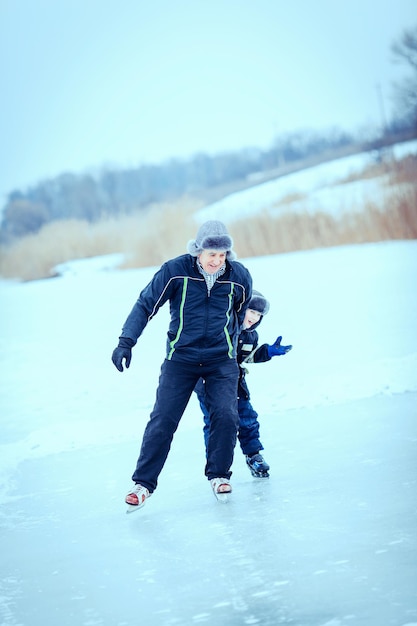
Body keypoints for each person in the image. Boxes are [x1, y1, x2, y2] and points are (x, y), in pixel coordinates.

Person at [111, 220, 252, 509]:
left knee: (226, 415)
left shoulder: (239, 276)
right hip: (181, 360)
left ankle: (219, 475)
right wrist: (126, 341)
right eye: (211, 254)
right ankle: (143, 484)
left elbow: (240, 314)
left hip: (220, 361)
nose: (217, 261)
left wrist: (235, 350)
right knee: (163, 420)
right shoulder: (175, 271)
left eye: (223, 254)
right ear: (198, 250)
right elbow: (145, 305)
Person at [195, 290, 292, 478]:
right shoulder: (221, 327)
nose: (254, 318)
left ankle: (254, 455)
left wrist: (268, 352)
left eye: (259, 315)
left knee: (247, 418)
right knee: (217, 423)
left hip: (236, 384)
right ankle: (216, 465)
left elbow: (247, 357)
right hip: (209, 384)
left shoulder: (250, 336)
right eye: (251, 311)